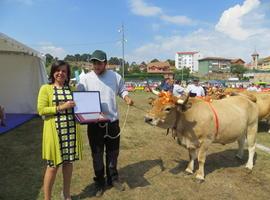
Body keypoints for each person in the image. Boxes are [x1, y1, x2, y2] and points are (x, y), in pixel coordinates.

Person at [78, 50, 134, 197]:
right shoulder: (85, 79)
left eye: (99, 62)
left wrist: (126, 97)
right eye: (94, 62)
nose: (96, 65)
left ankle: (113, 179)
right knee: (97, 155)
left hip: (112, 122)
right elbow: (81, 97)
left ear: (105, 63)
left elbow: (122, 90)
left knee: (113, 153)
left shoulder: (116, 76)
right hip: (95, 124)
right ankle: (99, 182)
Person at [37, 60, 83, 200]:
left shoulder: (70, 90)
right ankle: (47, 198)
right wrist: (60, 107)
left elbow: (77, 109)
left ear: (68, 74)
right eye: (58, 70)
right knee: (52, 167)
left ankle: (66, 194)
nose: (61, 73)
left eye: (64, 71)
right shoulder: (46, 88)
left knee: (68, 164)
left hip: (70, 132)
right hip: (55, 133)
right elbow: (41, 110)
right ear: (53, 72)